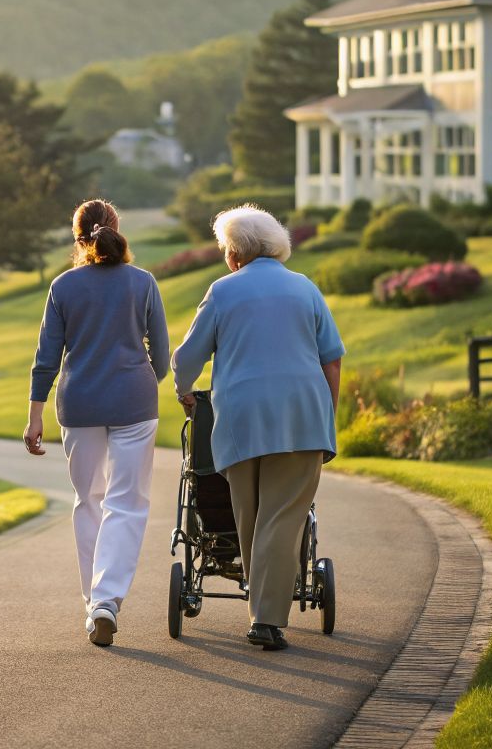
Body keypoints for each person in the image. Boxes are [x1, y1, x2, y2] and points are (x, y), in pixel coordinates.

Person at [171, 206, 344, 651]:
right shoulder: (305, 288)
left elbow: (186, 359)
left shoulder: (223, 291)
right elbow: (332, 358)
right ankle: (265, 618)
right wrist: (328, 410)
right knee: (283, 514)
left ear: (233, 254)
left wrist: (185, 391)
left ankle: (262, 610)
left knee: (249, 515)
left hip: (240, 418)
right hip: (300, 414)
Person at [24, 199, 171, 647]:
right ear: (117, 230)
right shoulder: (143, 283)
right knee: (126, 502)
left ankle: (94, 604)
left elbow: (47, 358)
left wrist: (34, 417)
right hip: (134, 403)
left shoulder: (63, 286)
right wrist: (144, 376)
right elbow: (161, 357)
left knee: (88, 500)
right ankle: (107, 600)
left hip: (80, 405)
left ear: (78, 238)